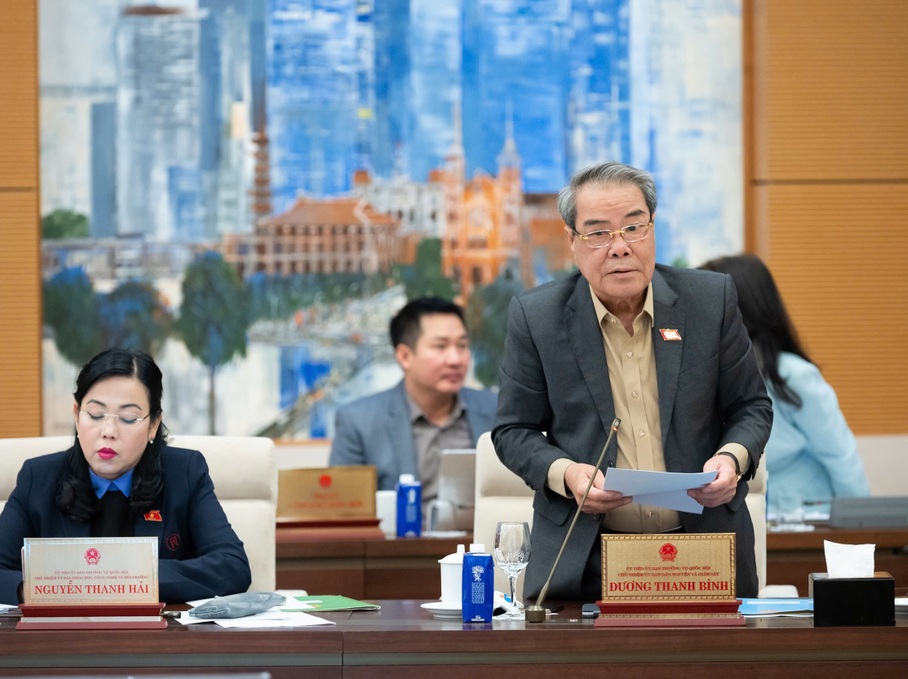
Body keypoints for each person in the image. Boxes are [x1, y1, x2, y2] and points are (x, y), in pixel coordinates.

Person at [492, 161, 772, 601]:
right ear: (572, 241)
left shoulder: (709, 300)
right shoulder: (537, 317)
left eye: (633, 228)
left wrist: (731, 458)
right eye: (598, 233)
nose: (619, 247)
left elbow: (750, 406)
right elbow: (512, 430)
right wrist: (567, 474)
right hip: (585, 557)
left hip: (704, 549)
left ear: (652, 228)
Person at [0, 348, 251, 605]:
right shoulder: (39, 478)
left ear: (154, 424)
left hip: (159, 640)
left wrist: (121, 578)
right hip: (64, 638)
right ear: (77, 415)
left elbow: (232, 567)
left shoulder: (185, 473)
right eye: (95, 414)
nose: (108, 431)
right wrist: (46, 589)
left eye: (128, 418)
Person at [699, 254, 869, 515]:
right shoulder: (707, 371)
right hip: (745, 509)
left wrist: (860, 522)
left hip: (807, 513)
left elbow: (840, 454)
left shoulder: (793, 374)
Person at [329, 297, 498, 503]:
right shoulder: (358, 422)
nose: (455, 359)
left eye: (462, 345)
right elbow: (343, 508)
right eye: (440, 346)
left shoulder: (497, 411)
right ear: (404, 356)